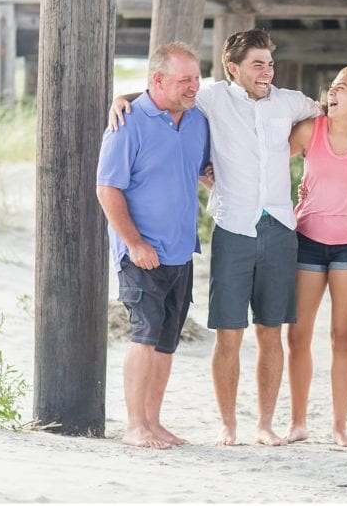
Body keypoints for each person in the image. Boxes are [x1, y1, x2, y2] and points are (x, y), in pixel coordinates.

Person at [110, 29, 322, 446]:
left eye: (270, 63)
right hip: (232, 227)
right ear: (233, 68)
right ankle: (228, 426)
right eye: (258, 64)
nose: (267, 71)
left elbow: (338, 113)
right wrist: (123, 99)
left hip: (280, 227)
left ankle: (264, 425)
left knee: (271, 330)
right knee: (229, 332)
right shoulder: (210, 98)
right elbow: (164, 91)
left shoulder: (290, 101)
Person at [96, 41, 211, 450]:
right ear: (158, 81)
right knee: (144, 336)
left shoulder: (197, 120)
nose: (194, 86)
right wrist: (134, 242)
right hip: (141, 253)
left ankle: (153, 422)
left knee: (166, 341)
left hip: (181, 251)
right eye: (185, 80)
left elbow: (200, 169)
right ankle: (134, 426)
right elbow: (108, 189)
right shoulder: (127, 123)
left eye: (197, 78)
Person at [284, 66, 347, 447]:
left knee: (342, 337)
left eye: (341, 88)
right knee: (298, 336)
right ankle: (298, 423)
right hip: (307, 239)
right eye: (330, 88)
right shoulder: (310, 130)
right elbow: (269, 160)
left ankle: (340, 427)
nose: (331, 93)